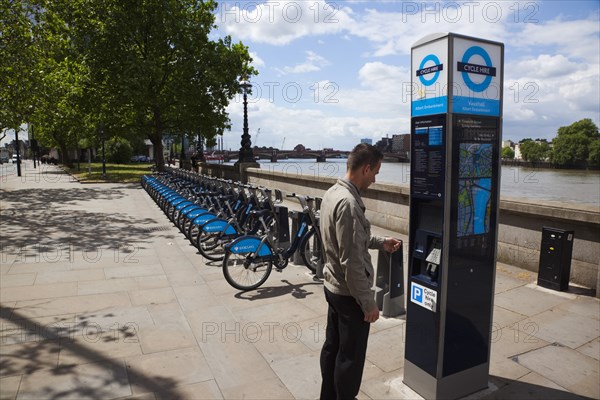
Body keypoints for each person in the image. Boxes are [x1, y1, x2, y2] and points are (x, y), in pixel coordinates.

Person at [319, 143, 402, 400]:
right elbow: (352, 262)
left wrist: (380, 242)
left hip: (332, 287)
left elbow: (349, 240)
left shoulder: (332, 193)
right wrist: (368, 304)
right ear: (365, 168)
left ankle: (328, 395)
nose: (375, 179)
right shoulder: (349, 204)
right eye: (375, 172)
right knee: (350, 358)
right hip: (349, 295)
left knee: (332, 348)